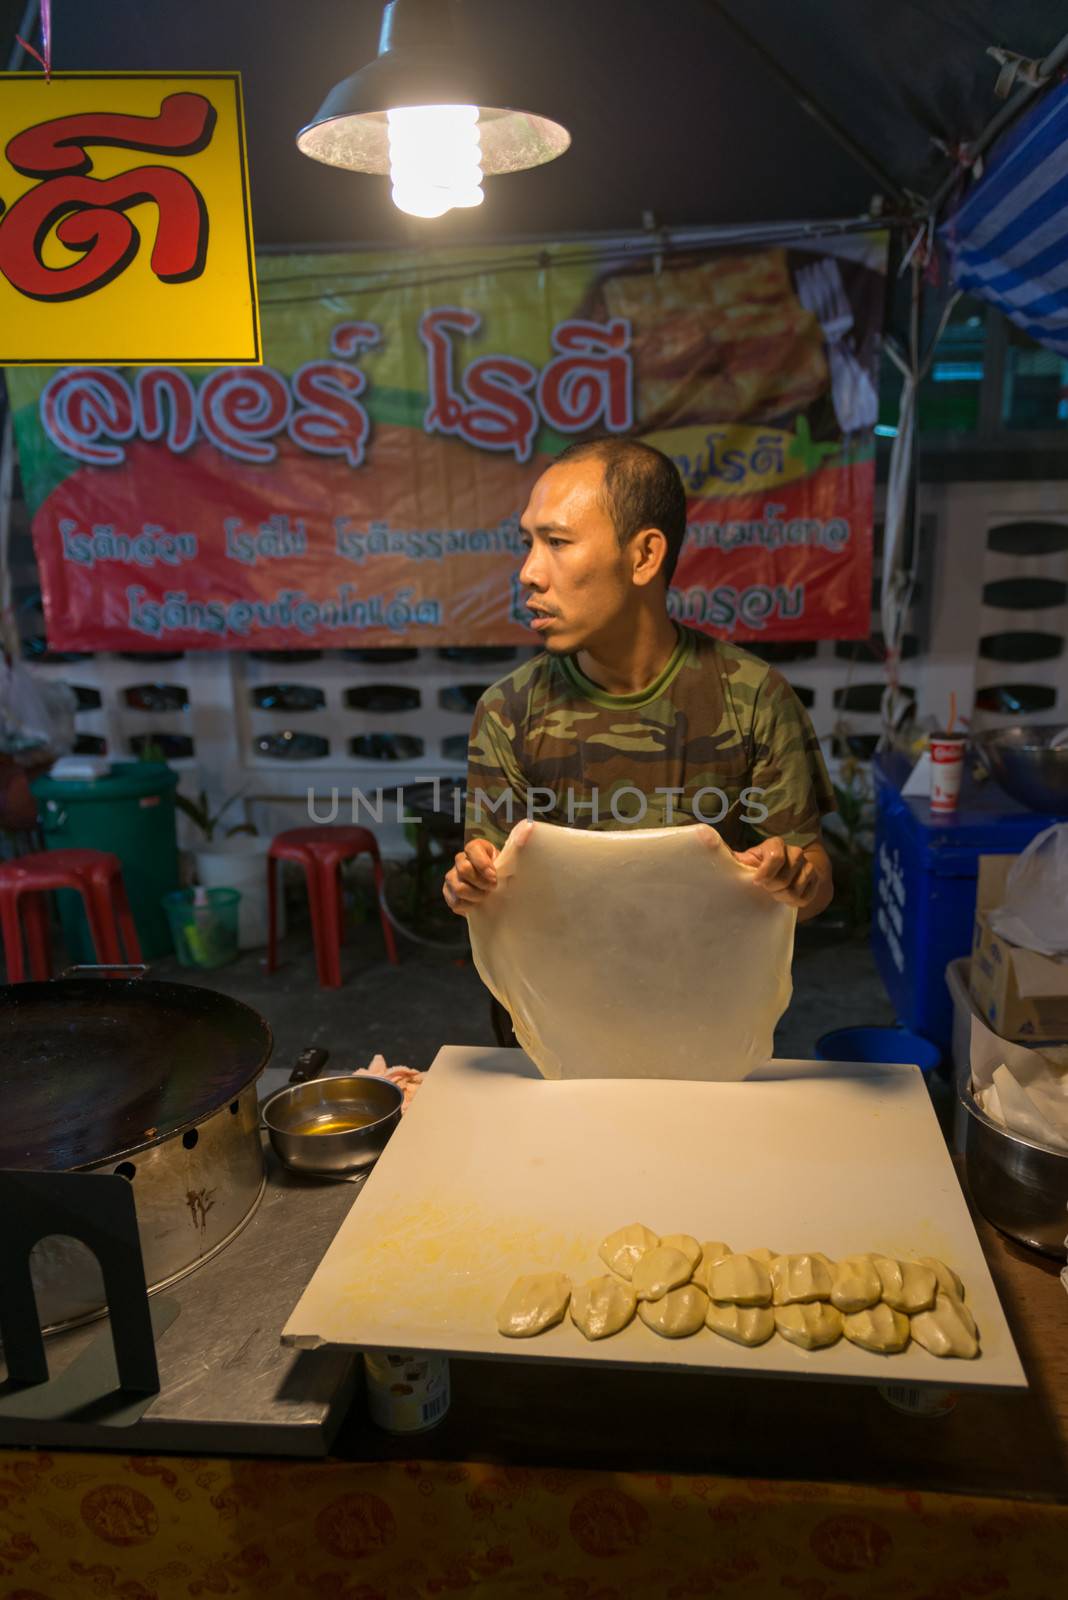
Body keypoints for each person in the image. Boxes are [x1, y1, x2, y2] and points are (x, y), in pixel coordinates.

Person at [443, 436, 835, 923]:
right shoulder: (509, 709)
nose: (529, 573)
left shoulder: (753, 697)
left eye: (558, 542)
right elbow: (486, 883)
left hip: (704, 990)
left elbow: (813, 882)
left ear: (645, 556)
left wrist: (793, 879)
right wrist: (468, 888)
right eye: (529, 544)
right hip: (552, 993)